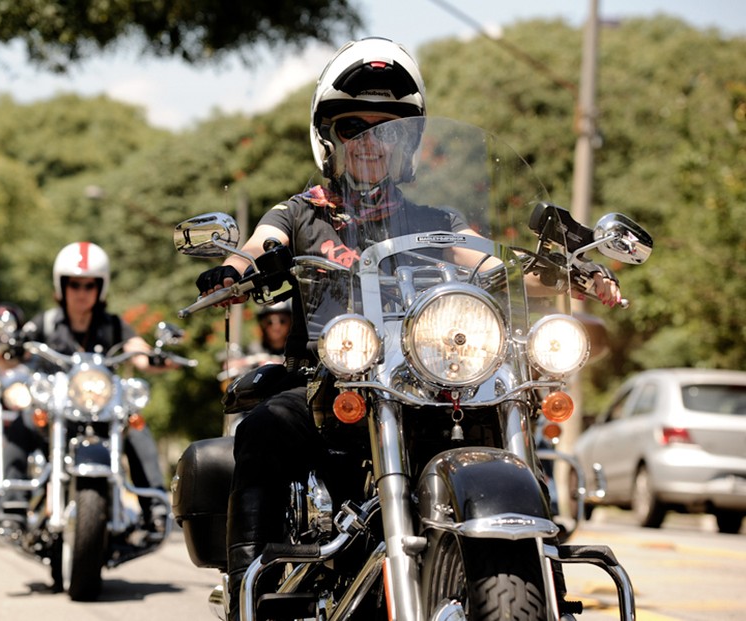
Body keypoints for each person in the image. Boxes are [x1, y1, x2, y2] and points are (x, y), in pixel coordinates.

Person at [194, 37, 622, 618]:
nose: (371, 141)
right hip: (331, 383)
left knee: (506, 410)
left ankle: (528, 561)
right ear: (330, 138)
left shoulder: (436, 222)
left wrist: (570, 271)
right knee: (263, 428)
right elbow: (259, 246)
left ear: (409, 143)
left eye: (389, 130)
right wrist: (236, 269)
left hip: (425, 378)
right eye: (354, 127)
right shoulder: (301, 213)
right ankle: (250, 592)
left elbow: (493, 265)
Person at [6, 241, 170, 536]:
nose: (82, 293)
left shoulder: (113, 326)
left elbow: (138, 351)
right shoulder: (46, 322)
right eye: (75, 285)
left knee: (138, 429)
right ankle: (13, 508)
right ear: (62, 286)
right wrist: (13, 346)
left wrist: (154, 356)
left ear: (101, 288)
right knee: (17, 425)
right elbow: (19, 348)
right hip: (55, 412)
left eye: (89, 286)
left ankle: (154, 509)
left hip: (103, 413)